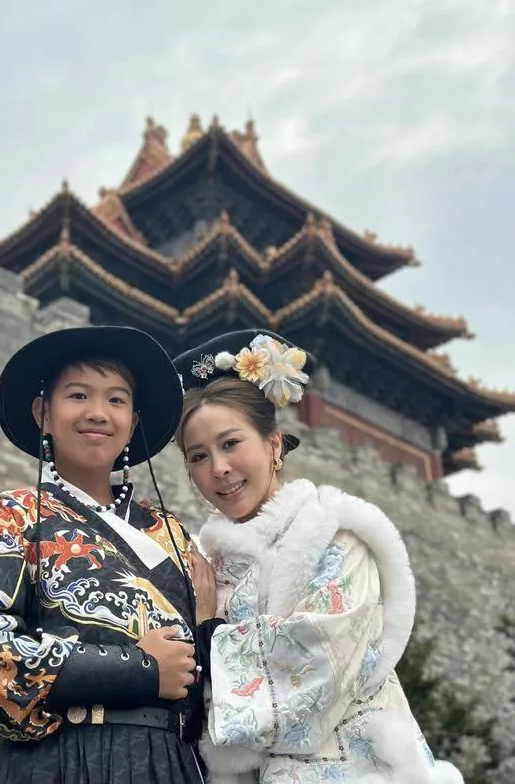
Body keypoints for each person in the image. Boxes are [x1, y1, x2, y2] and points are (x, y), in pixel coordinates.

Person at [173, 330, 464, 784]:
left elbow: (319, 659)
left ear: (274, 445)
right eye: (198, 456)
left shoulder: (335, 535)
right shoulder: (202, 565)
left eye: (230, 444)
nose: (219, 468)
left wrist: (209, 631)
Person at [0, 326, 206, 784]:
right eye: (78, 395)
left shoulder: (173, 535)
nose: (98, 412)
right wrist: (139, 670)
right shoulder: (11, 518)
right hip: (57, 762)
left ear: (133, 424)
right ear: (43, 413)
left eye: (117, 400)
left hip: (168, 764)